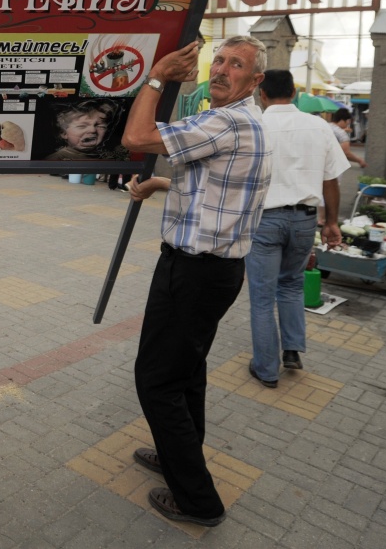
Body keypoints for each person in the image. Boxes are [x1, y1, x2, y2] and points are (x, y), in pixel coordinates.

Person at [121, 36, 271, 528]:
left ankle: (198, 501)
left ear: (255, 80)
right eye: (221, 60)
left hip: (196, 272)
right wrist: (163, 183)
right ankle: (175, 454)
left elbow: (137, 137)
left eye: (238, 65)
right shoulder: (241, 121)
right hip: (209, 271)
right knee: (186, 375)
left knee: (156, 381)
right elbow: (219, 184)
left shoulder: (227, 120)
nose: (223, 70)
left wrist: (157, 75)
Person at [246, 71, 348, 388]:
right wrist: (331, 222)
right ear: (294, 92)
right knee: (291, 286)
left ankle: (266, 369)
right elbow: (331, 180)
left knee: (262, 299)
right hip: (305, 220)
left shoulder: (255, 126)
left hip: (264, 221)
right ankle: (292, 351)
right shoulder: (319, 126)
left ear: (261, 94)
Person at [45, 100, 119, 160]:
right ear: (64, 133)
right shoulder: (55, 160)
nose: (93, 130)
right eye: (82, 126)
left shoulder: (107, 158)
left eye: (100, 126)